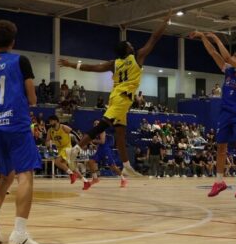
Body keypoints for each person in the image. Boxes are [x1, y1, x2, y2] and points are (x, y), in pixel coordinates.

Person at [58, 12, 171, 180]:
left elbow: (92, 68)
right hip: (122, 98)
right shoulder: (137, 57)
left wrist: (72, 65)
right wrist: (165, 22)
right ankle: (75, 149)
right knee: (103, 125)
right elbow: (154, 38)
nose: (132, 45)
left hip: (117, 97)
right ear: (127, 49)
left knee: (120, 132)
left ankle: (126, 167)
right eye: (129, 44)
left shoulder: (114, 64)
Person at [0, 20, 44, 244]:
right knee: (25, 176)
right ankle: (20, 234)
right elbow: (32, 99)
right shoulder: (20, 61)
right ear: (13, 41)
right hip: (17, 125)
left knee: (6, 176)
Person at [190, 31, 236, 199]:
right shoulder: (228, 70)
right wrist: (203, 37)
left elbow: (225, 57)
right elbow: (213, 53)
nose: (233, 57)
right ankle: (219, 182)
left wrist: (216, 37)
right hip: (225, 112)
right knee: (220, 148)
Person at [84, 120, 126, 189]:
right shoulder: (95, 133)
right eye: (95, 123)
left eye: (97, 123)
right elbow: (98, 143)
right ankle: (95, 179)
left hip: (105, 150)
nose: (96, 124)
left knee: (112, 166)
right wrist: (93, 145)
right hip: (100, 150)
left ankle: (123, 179)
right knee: (90, 162)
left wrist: (93, 141)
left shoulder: (102, 131)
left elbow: (102, 141)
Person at [46, 115, 84, 184]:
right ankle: (86, 182)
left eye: (51, 121)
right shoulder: (50, 130)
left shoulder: (63, 127)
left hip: (67, 148)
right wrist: (49, 147)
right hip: (60, 150)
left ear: (56, 121)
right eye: (49, 121)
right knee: (72, 167)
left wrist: (81, 143)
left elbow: (74, 133)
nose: (50, 122)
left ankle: (71, 174)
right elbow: (47, 141)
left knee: (57, 161)